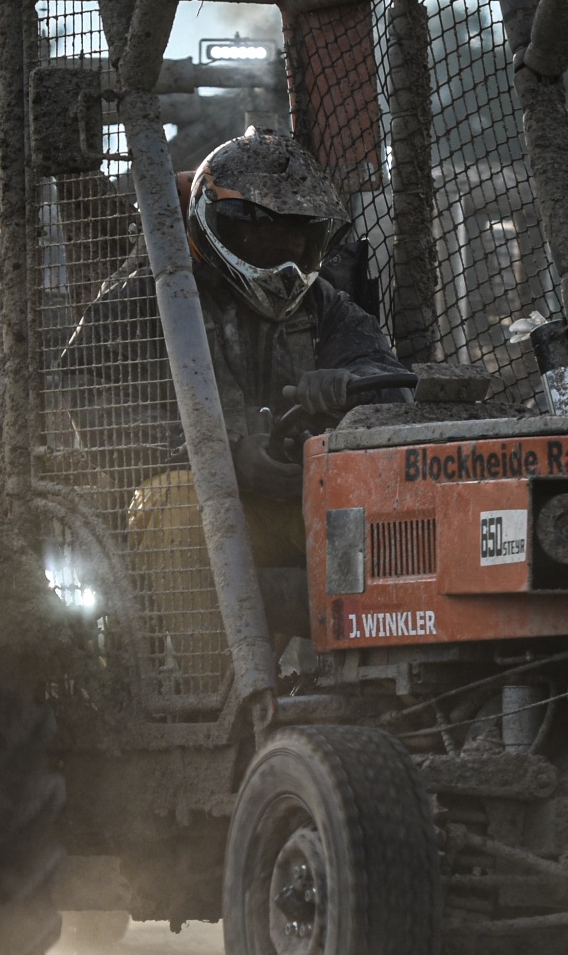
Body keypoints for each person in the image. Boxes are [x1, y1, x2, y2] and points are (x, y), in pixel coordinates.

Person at [61, 130, 414, 630]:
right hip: (194, 517)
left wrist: (347, 383)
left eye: (296, 238)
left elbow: (390, 384)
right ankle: (215, 678)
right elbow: (90, 400)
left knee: (389, 501)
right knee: (175, 500)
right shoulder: (147, 302)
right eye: (263, 236)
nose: (283, 256)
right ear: (217, 225)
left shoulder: (325, 307)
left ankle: (379, 666)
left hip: (302, 506)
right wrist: (220, 455)